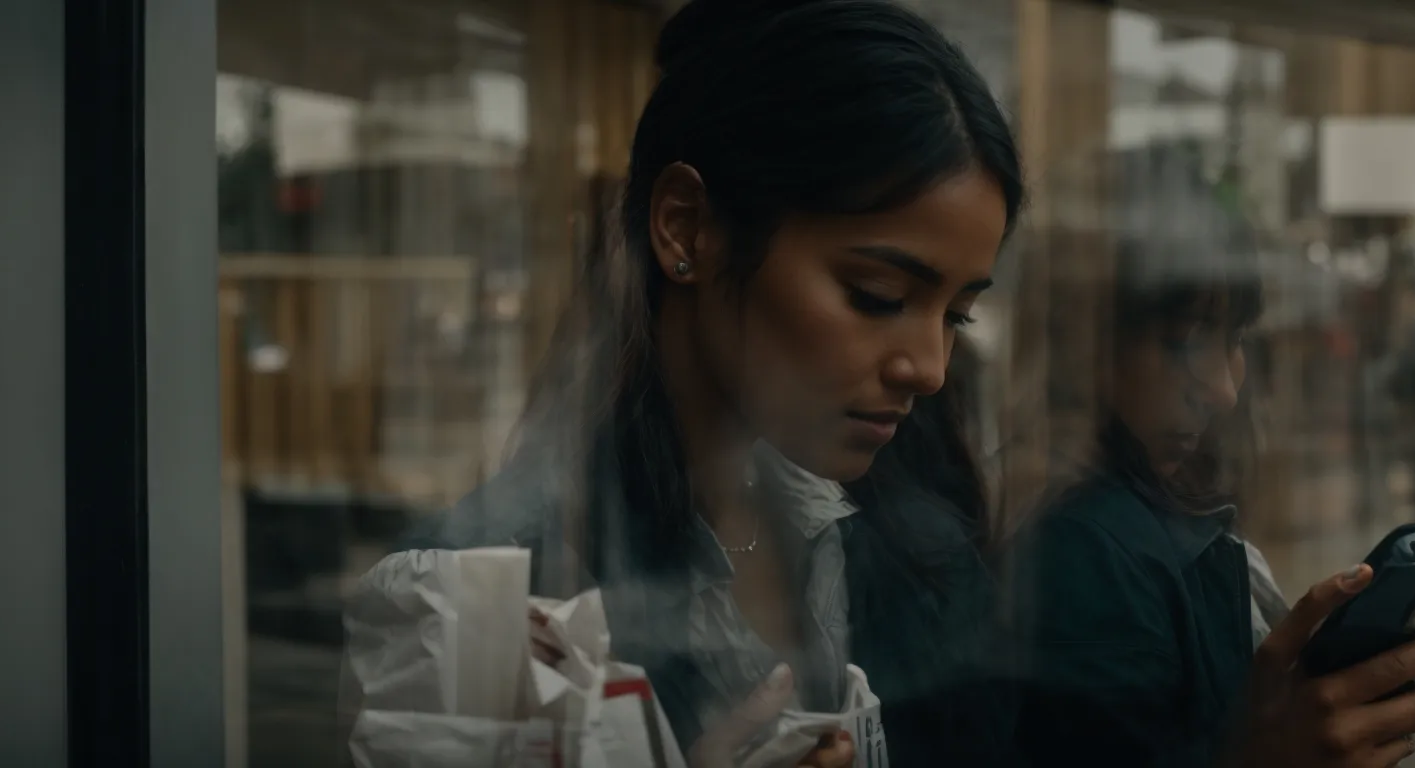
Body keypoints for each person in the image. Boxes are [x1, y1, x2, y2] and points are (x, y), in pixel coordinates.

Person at [349, 1, 1026, 765]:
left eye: (957, 317)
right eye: (876, 294)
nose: (929, 368)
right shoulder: (482, 598)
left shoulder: (904, 547)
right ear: (686, 227)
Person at [1011, 178, 1415, 767]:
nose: (1223, 390)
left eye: (1234, 339)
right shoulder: (1086, 552)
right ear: (1083, 345)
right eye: (1182, 342)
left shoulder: (1173, 522)